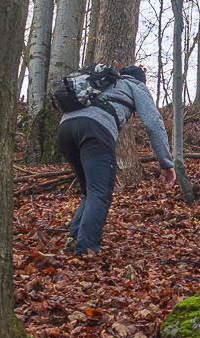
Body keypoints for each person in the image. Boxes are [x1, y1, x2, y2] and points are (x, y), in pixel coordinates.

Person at [57, 64, 175, 255]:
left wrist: (108, 171)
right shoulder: (135, 85)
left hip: (65, 129)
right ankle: (86, 249)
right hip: (95, 130)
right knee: (99, 193)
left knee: (91, 190)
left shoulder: (102, 86)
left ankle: (74, 238)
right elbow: (154, 123)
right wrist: (166, 163)